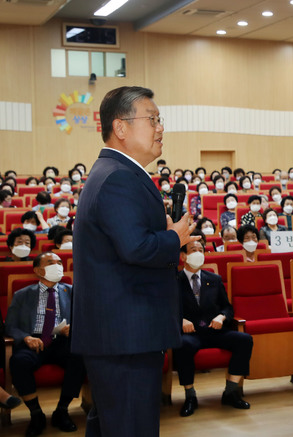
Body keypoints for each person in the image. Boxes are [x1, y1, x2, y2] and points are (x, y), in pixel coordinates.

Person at [72, 86, 199, 437]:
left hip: (120, 334)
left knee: (114, 425)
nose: (161, 128)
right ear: (121, 127)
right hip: (125, 336)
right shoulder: (118, 178)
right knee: (131, 427)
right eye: (152, 119)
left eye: (160, 120)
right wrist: (176, 237)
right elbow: (137, 248)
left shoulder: (115, 172)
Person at [6, 252, 86, 436]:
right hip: (33, 341)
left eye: (59, 262)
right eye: (51, 262)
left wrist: (73, 328)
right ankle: (36, 414)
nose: (58, 266)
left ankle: (62, 411)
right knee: (19, 362)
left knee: (80, 357)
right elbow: (10, 325)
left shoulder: (72, 291)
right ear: (38, 270)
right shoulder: (22, 295)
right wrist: (26, 338)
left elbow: (86, 320)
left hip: (62, 340)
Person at [174, 237, 253, 417]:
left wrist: (222, 316)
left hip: (214, 330)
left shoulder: (214, 279)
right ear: (183, 256)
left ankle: (231, 392)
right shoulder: (174, 281)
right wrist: (180, 320)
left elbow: (227, 307)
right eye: (193, 250)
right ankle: (190, 396)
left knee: (244, 340)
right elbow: (165, 310)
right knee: (183, 346)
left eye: (201, 250)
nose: (199, 254)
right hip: (191, 333)